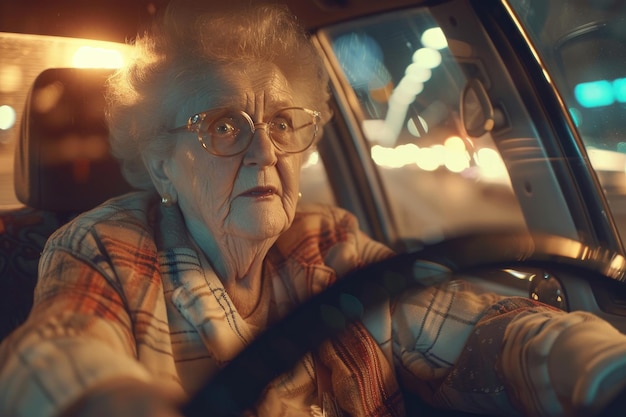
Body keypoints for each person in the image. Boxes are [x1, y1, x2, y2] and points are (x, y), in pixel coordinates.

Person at [1, 1, 626, 417]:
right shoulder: (107, 246)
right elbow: (54, 358)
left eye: (280, 121)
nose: (266, 150)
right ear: (162, 165)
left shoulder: (325, 241)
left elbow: (467, 326)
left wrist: (590, 360)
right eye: (224, 126)